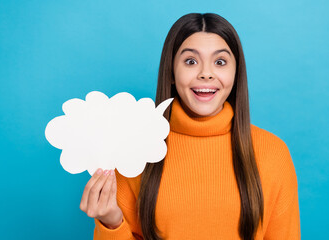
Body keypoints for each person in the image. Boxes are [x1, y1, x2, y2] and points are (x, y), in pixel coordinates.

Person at [79, 13, 301, 240]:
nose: (206, 73)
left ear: (236, 73)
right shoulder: (133, 150)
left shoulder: (273, 153)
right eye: (191, 61)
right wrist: (112, 222)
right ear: (172, 72)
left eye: (220, 62)